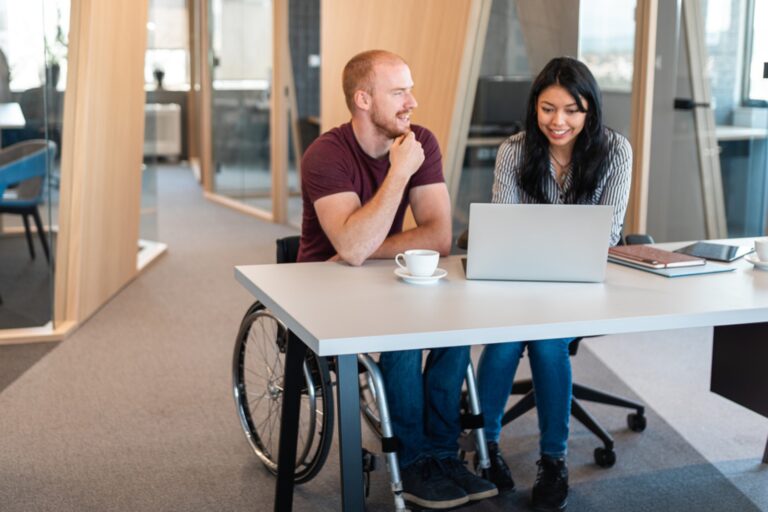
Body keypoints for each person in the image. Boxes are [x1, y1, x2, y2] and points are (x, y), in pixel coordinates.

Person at [297, 49, 498, 510]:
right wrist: (398, 174)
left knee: (456, 328)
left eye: (410, 88)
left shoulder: (419, 139)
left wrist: (365, 245)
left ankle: (443, 455)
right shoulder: (325, 154)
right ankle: (412, 462)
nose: (413, 101)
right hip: (322, 288)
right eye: (399, 91)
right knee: (404, 337)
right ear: (363, 99)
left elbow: (439, 236)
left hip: (391, 276)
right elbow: (348, 248)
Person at [476, 56, 632, 512]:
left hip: (576, 281)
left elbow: (608, 232)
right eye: (548, 109)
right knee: (505, 343)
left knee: (547, 343)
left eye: (572, 109)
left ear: (590, 111)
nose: (558, 121)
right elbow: (503, 227)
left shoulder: (615, 151)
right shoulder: (515, 150)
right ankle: (484, 449)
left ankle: (553, 459)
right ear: (535, 107)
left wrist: (548, 239)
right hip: (516, 278)